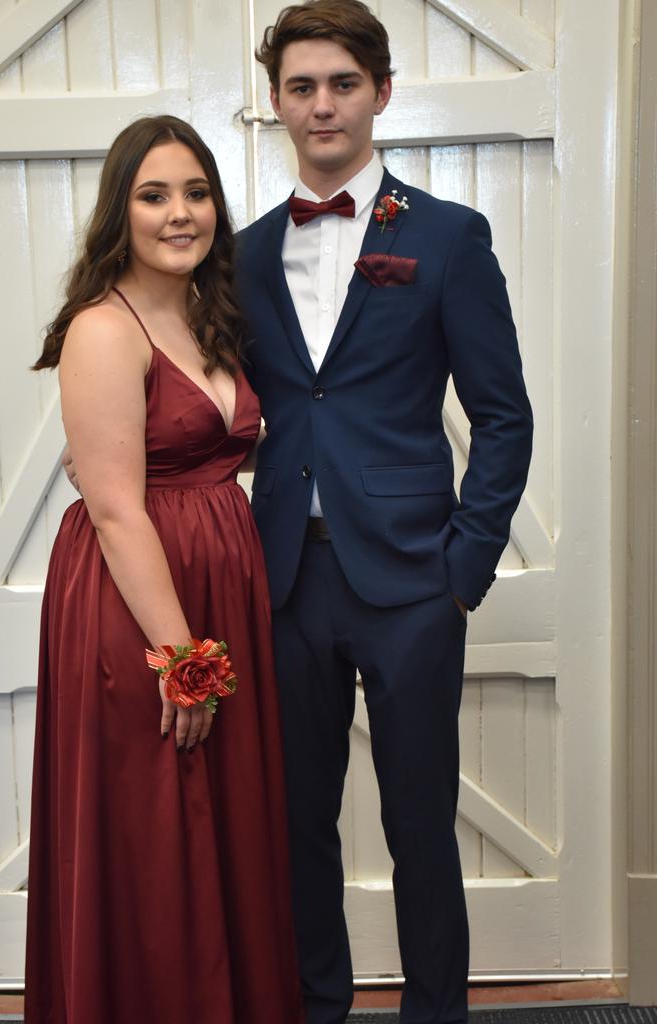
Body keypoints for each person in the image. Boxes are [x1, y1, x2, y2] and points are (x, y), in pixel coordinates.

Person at [233, 2, 534, 1023]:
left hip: (412, 580)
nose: (323, 105)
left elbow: (502, 416)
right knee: (297, 824)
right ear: (276, 103)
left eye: (343, 84)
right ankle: (318, 1006)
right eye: (303, 87)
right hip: (284, 580)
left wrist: (464, 569)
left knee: (418, 824)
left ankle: (434, 1012)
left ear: (382, 94)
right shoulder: (240, 253)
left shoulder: (447, 237)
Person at [24, 115, 304, 1024]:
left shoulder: (206, 313)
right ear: (120, 211)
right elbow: (114, 506)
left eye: (196, 192)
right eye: (154, 195)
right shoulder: (105, 328)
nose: (180, 213)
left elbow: (212, 443)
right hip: (144, 609)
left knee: (216, 821)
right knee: (158, 830)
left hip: (219, 582)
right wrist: (182, 659)